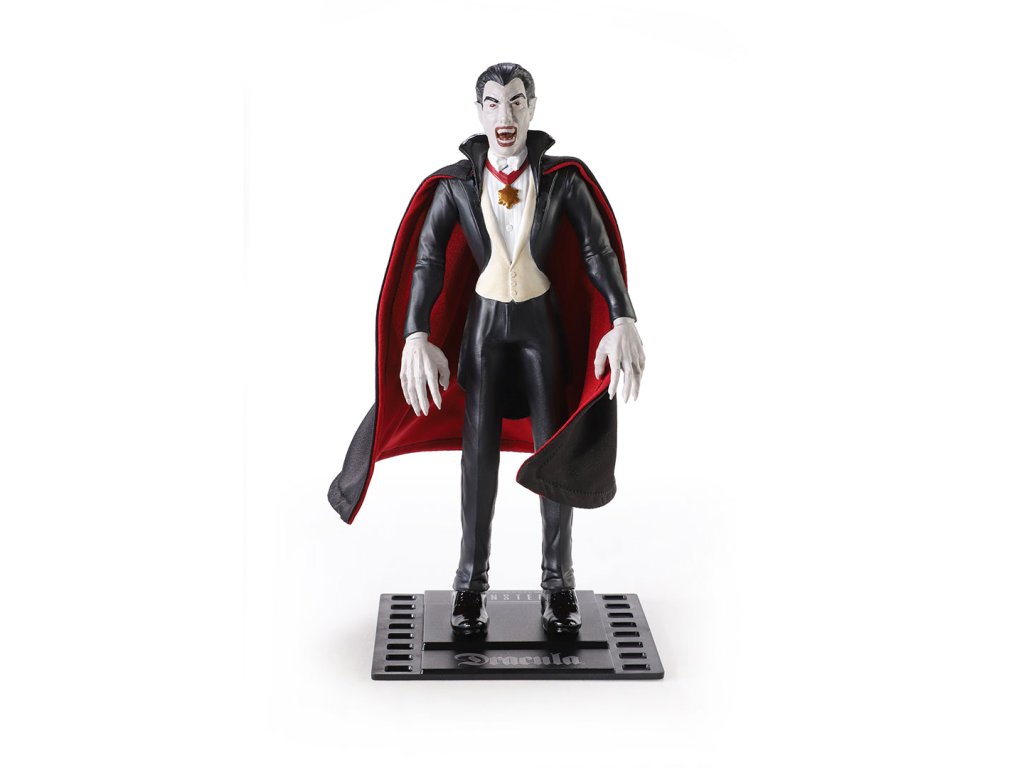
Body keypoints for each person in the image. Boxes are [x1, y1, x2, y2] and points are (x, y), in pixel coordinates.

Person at [327, 63, 645, 637]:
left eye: (516, 102)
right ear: (479, 112)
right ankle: (470, 585)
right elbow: (426, 261)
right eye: (494, 103)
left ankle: (558, 584)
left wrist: (622, 316)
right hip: (482, 333)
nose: (506, 114)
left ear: (532, 108)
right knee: (478, 462)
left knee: (553, 453)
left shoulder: (564, 181)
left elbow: (597, 252)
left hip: (542, 330)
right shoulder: (454, 185)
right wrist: (416, 334)